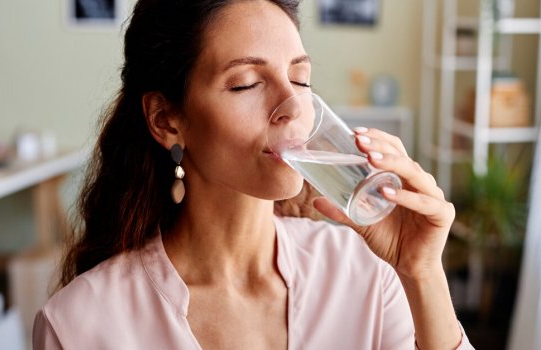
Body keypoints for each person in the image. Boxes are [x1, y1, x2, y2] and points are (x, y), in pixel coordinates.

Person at [33, 0, 474, 349]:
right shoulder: (79, 325)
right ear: (167, 120)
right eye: (246, 83)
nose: (293, 105)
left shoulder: (365, 274)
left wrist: (422, 274)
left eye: (300, 79)